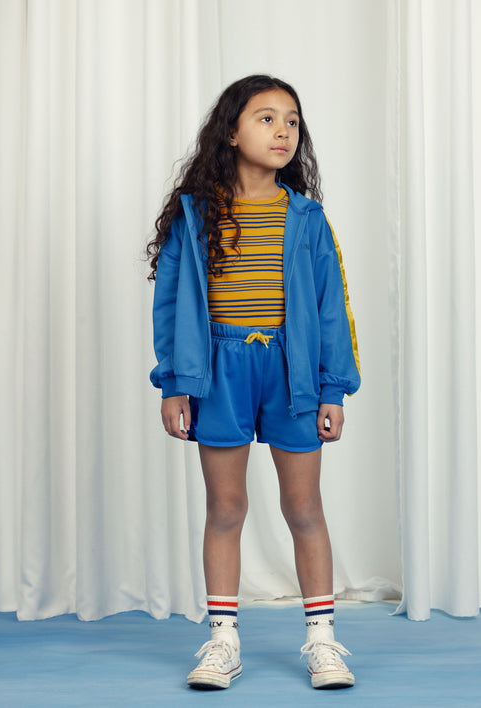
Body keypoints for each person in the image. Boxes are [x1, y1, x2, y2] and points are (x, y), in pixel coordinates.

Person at [147, 74, 361, 690]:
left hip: (291, 372)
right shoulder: (196, 216)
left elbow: (330, 308)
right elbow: (172, 305)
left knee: (304, 508)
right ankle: (222, 642)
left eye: (292, 121)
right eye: (266, 118)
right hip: (219, 372)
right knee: (226, 507)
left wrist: (331, 389)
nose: (283, 130)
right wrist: (175, 384)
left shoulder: (308, 218)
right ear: (231, 131)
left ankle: (322, 641)